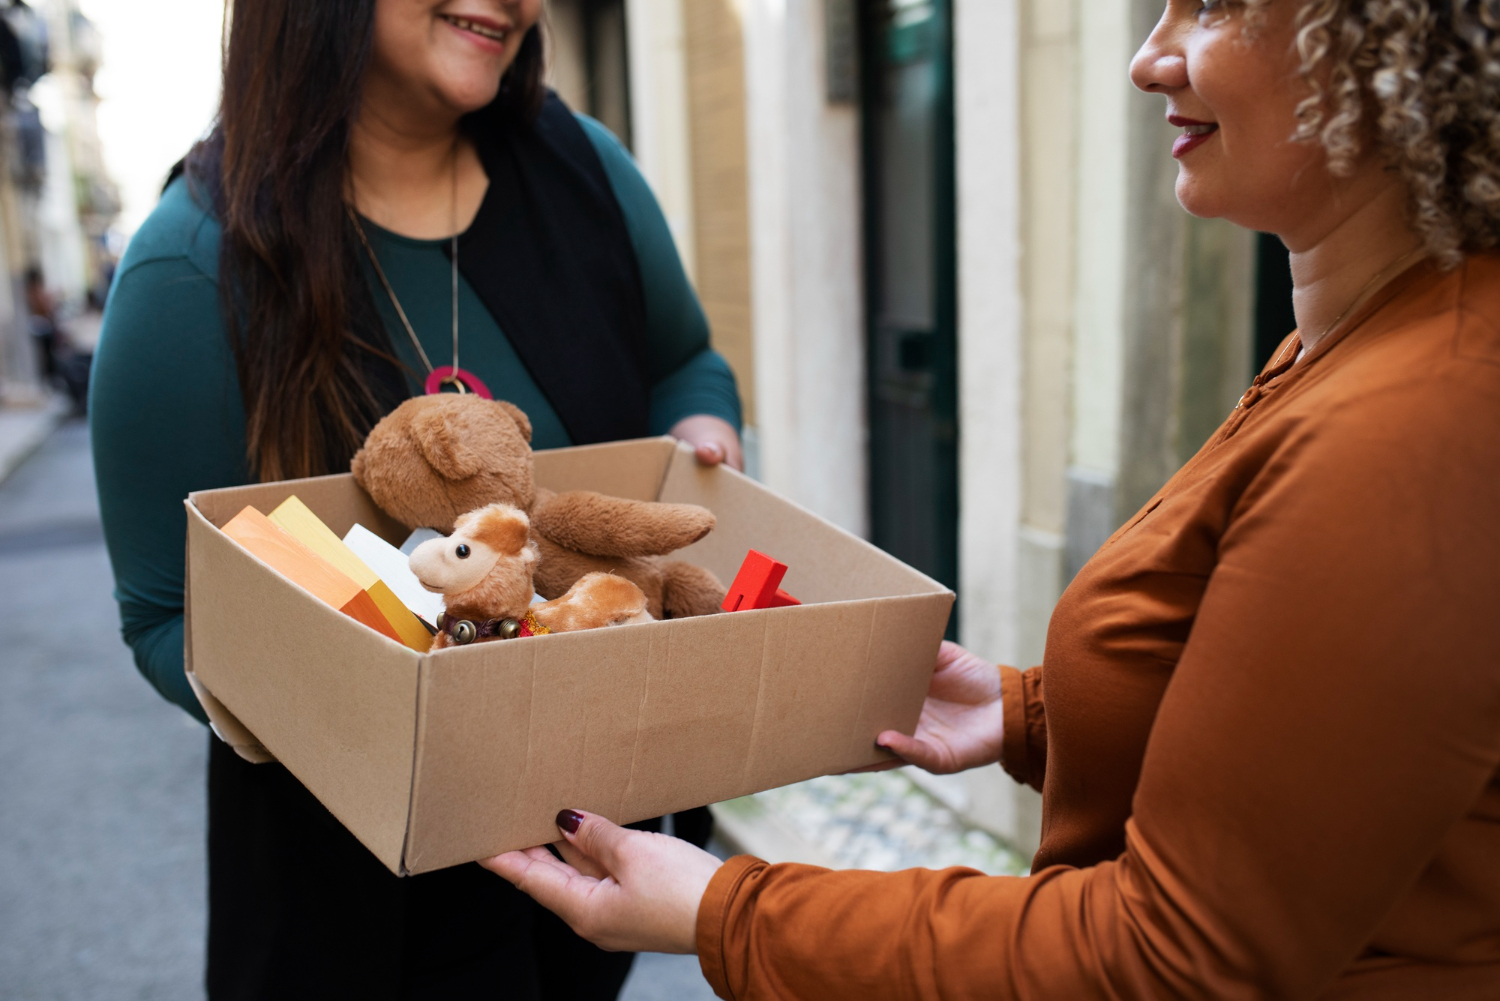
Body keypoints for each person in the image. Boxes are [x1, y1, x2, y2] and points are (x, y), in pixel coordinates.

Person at [482, 1, 1500, 997]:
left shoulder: (1418, 415)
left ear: (1387, 44)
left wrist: (728, 912)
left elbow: (1174, 958)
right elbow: (1311, 757)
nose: (1150, 59)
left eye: (1219, 6)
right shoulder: (1360, 345)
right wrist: (1029, 714)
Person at [89, 1, 740, 998]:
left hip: (585, 846)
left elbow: (684, 359)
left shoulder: (586, 172)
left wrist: (700, 429)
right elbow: (164, 616)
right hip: (350, 909)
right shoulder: (193, 268)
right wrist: (365, 714)